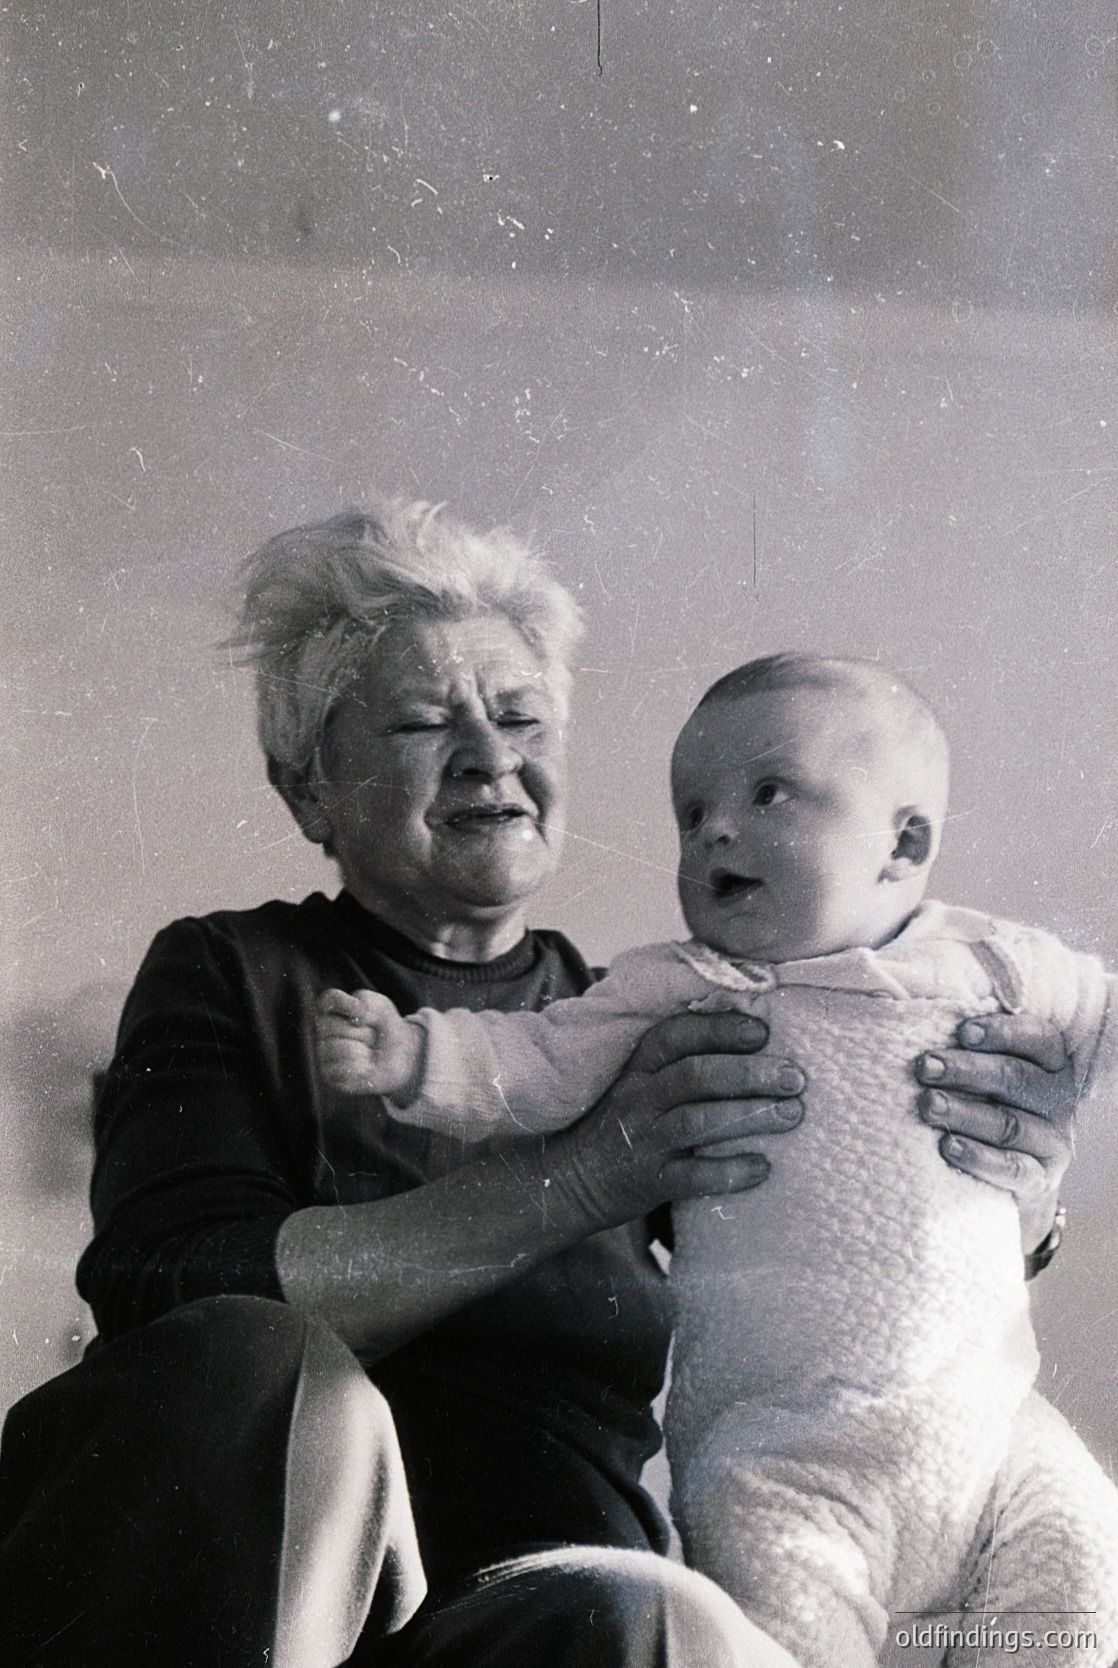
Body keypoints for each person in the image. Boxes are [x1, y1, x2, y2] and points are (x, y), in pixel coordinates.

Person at [0, 507, 1081, 1668]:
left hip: (542, 1619)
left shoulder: (653, 1014)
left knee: (649, 1611)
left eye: (519, 718)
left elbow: (831, 1241)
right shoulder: (235, 971)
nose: (488, 755)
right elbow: (175, 1299)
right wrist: (582, 1176)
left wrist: (1007, 1182)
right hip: (268, 1592)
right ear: (307, 789)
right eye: (423, 721)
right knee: (259, 1365)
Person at [316, 652, 1118, 1667]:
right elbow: (538, 1055)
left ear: (901, 841)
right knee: (775, 1634)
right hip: (780, 1456)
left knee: (1081, 1570)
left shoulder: (1002, 967)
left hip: (990, 1425)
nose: (714, 833)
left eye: (766, 793)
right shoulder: (683, 987)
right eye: (690, 814)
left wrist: (1038, 1167)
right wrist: (414, 1052)